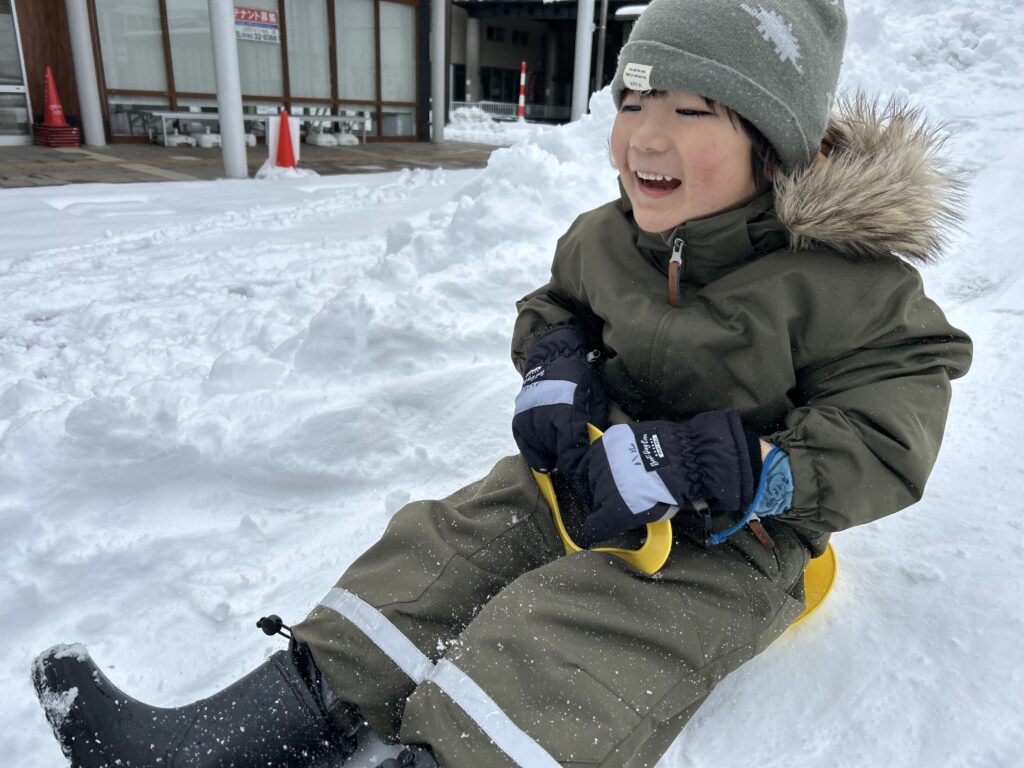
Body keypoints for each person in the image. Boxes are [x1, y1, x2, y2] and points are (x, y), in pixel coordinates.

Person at [32, 0, 973, 766]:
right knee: (439, 549)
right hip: (591, 471)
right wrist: (556, 364)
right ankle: (245, 731)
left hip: (732, 535)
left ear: (776, 141)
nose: (646, 138)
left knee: (568, 639)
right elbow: (559, 306)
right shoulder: (607, 236)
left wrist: (732, 466)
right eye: (633, 101)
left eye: (692, 112)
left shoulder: (850, 286)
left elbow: (889, 426)